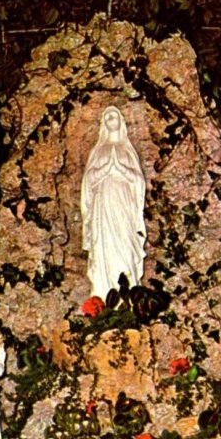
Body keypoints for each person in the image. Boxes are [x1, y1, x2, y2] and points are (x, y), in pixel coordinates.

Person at [81, 106, 146, 299]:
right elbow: (88, 180)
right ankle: (103, 296)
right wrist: (104, 171)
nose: (110, 119)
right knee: (104, 246)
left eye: (113, 115)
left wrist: (121, 170)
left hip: (123, 204)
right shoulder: (98, 151)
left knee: (125, 245)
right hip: (102, 205)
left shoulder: (127, 150)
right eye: (107, 116)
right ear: (103, 124)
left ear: (120, 121)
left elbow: (138, 181)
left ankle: (128, 296)